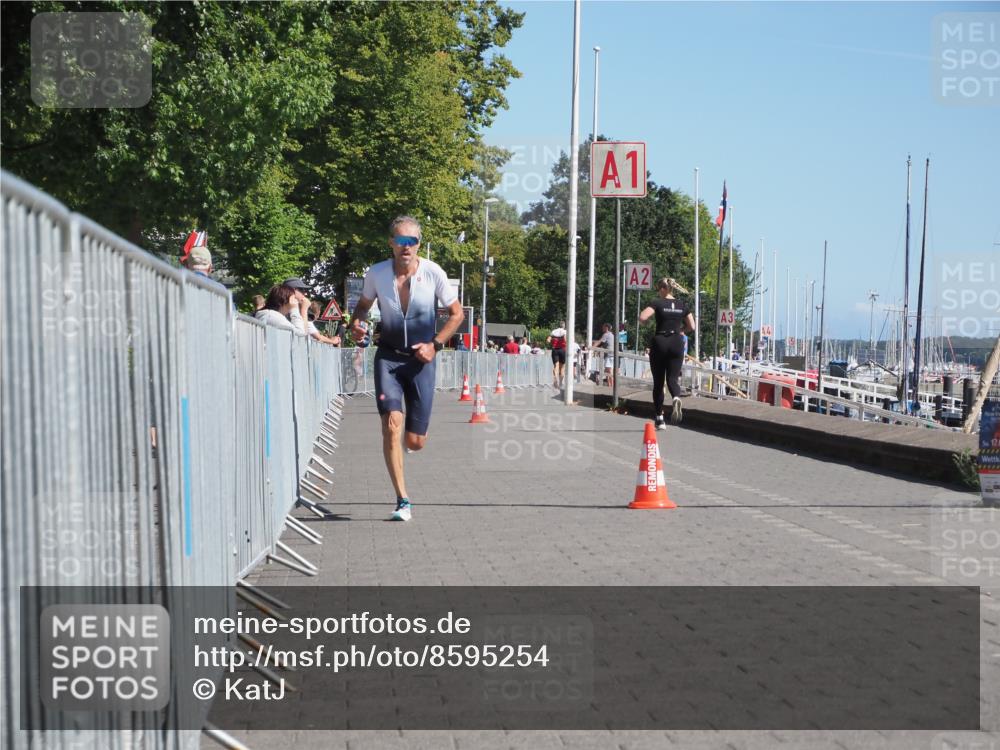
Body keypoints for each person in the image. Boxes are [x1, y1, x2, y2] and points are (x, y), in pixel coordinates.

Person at [349, 215, 464, 522]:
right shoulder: (377, 273)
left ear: (419, 244)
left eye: (411, 241)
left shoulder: (433, 272)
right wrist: (356, 324)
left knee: (415, 441)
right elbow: (361, 307)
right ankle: (403, 499)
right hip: (388, 357)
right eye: (400, 241)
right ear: (391, 243)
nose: (406, 247)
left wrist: (435, 345)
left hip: (421, 361)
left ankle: (410, 440)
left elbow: (457, 314)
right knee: (391, 424)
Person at [639, 277, 695, 429]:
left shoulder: (658, 303)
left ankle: (659, 419)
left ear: (663, 289)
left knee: (658, 382)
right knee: (672, 379)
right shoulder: (682, 305)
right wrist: (681, 330)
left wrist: (646, 323)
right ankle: (676, 397)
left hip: (660, 341)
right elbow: (693, 326)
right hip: (677, 342)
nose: (658, 291)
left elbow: (643, 316)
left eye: (659, 288)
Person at [593, 323, 616, 389]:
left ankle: (612, 387)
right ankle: (610, 386)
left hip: (609, 355)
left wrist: (592, 348)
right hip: (612, 355)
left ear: (606, 328)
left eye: (603, 327)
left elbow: (599, 342)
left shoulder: (606, 334)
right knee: (607, 371)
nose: (602, 328)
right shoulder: (612, 335)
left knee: (609, 371)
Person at [547, 321, 568, 388]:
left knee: (556, 366)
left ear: (559, 325)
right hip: (562, 350)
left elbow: (548, 340)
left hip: (555, 350)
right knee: (562, 367)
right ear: (564, 326)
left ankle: (555, 381)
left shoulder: (553, 331)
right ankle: (561, 383)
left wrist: (551, 341)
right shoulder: (565, 331)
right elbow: (565, 339)